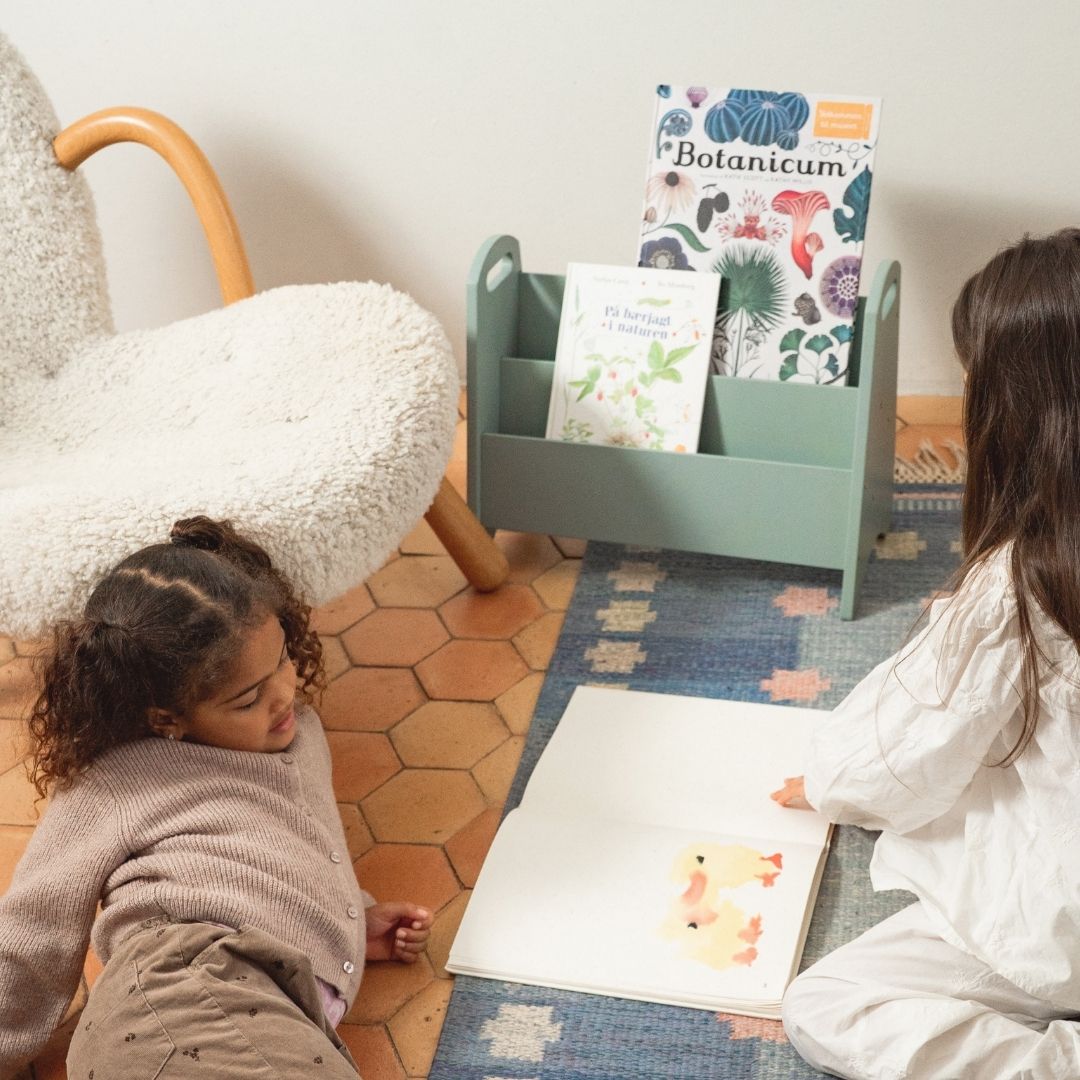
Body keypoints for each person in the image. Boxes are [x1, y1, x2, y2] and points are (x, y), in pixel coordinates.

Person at [771, 228, 1080, 1079]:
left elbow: (905, 755)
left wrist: (832, 785)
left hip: (1057, 923)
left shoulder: (1017, 587)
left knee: (827, 1006)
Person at [0, 516, 432, 1078]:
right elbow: (37, 921)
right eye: (248, 698)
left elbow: (289, 842)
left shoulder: (299, 734)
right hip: (186, 985)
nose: (284, 696)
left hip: (255, 1002)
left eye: (282, 659)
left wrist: (347, 920)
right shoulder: (118, 778)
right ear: (167, 718)